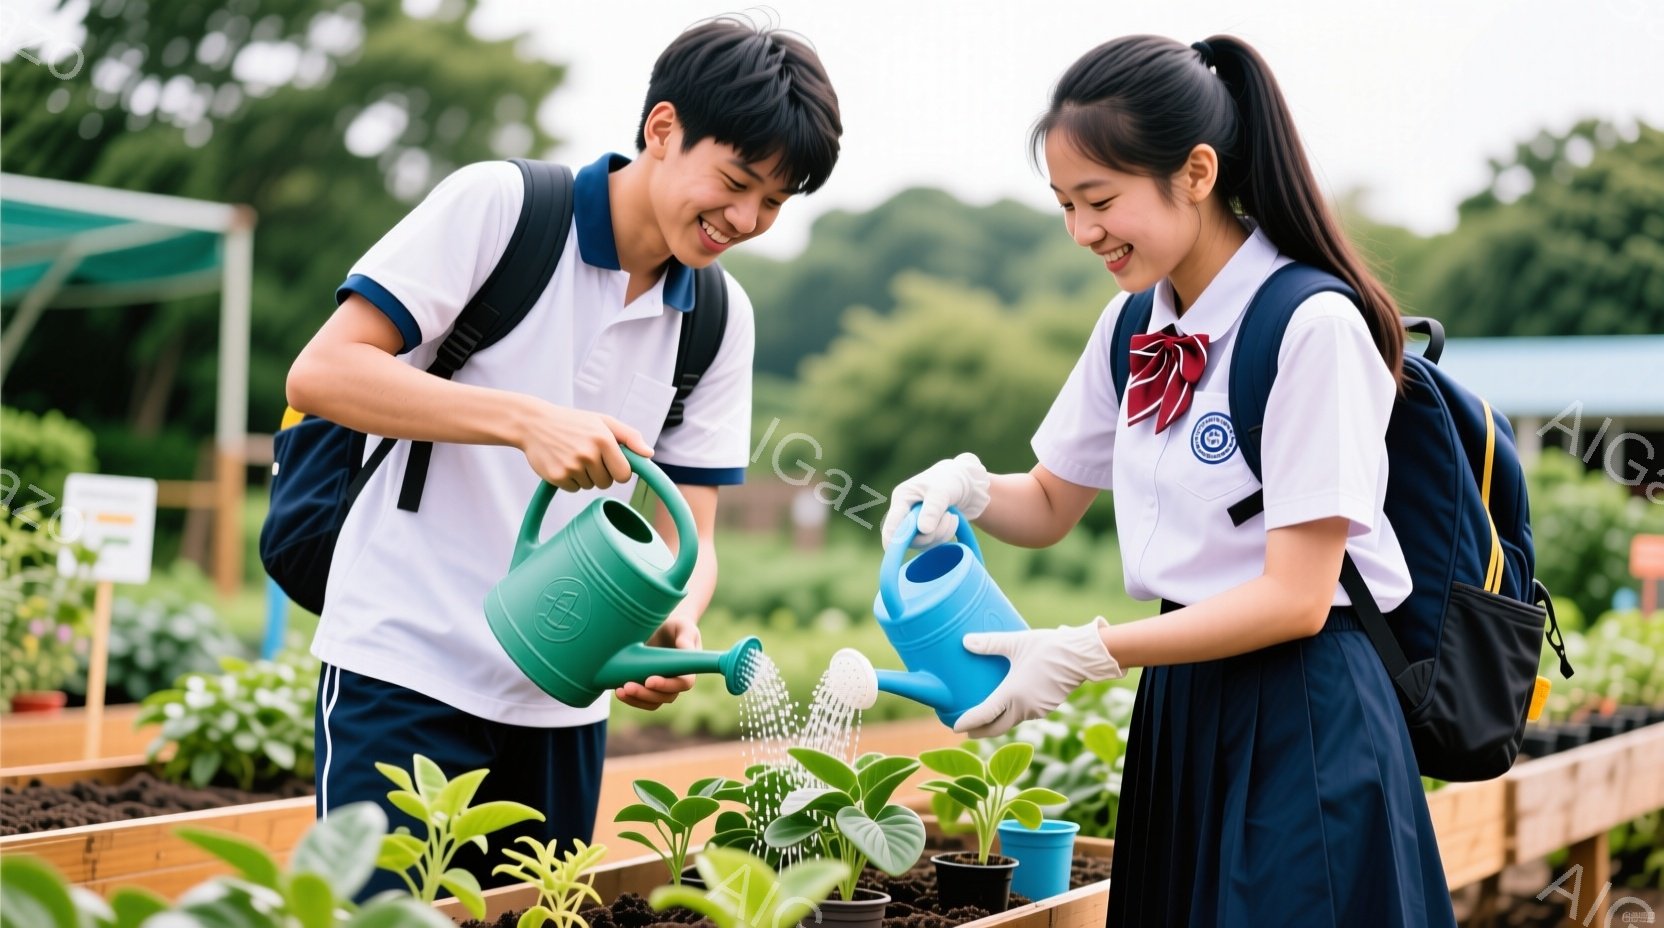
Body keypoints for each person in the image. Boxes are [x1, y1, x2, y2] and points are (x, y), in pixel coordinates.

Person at [878, 34, 1455, 927]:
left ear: (1196, 171)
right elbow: (1050, 503)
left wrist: (1087, 651)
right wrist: (968, 490)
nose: (1082, 232)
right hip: (1181, 703)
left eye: (1101, 200)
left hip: (1304, 709)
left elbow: (1297, 598)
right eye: (1065, 204)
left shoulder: (1311, 326)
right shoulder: (1130, 326)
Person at [285, 16, 841, 898]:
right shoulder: (503, 208)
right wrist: (525, 422)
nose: (746, 219)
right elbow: (322, 372)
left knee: (535, 917)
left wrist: (674, 620)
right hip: (405, 657)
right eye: (736, 183)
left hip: (565, 694)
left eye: (774, 203)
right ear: (663, 130)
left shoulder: (719, 319)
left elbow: (691, 525)